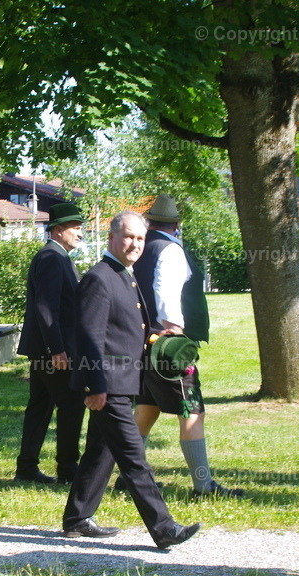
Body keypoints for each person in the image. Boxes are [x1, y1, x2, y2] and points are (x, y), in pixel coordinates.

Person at [62, 211, 201, 549]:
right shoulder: (100, 277)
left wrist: (158, 335)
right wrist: (95, 387)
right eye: (128, 237)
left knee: (100, 450)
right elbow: (90, 337)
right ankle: (163, 527)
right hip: (108, 385)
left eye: (140, 238)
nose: (135, 244)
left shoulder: (125, 275)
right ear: (111, 237)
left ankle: (77, 517)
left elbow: (126, 329)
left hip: (123, 381)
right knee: (134, 458)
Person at [131, 194, 243, 498]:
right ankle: (203, 485)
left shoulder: (141, 248)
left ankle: (130, 479)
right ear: (177, 225)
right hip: (167, 342)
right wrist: (175, 330)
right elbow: (164, 291)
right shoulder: (170, 249)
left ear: (151, 222)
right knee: (192, 411)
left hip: (143, 340)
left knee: (146, 408)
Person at [14, 203, 86, 484]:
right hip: (54, 350)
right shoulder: (52, 258)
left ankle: (26, 468)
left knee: (40, 407)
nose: (81, 234)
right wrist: (56, 349)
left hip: (46, 348)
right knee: (71, 404)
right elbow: (46, 308)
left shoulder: (57, 256)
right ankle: (68, 469)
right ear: (58, 230)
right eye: (76, 228)